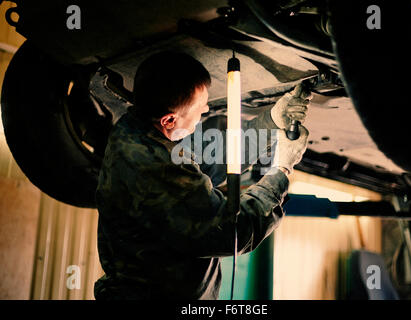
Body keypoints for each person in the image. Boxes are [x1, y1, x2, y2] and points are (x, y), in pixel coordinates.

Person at [94, 51, 312, 300]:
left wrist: (270, 122)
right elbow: (231, 232)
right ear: (169, 119)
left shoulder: (137, 129)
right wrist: (282, 170)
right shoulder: (154, 169)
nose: (206, 109)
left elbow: (204, 161)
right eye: (200, 108)